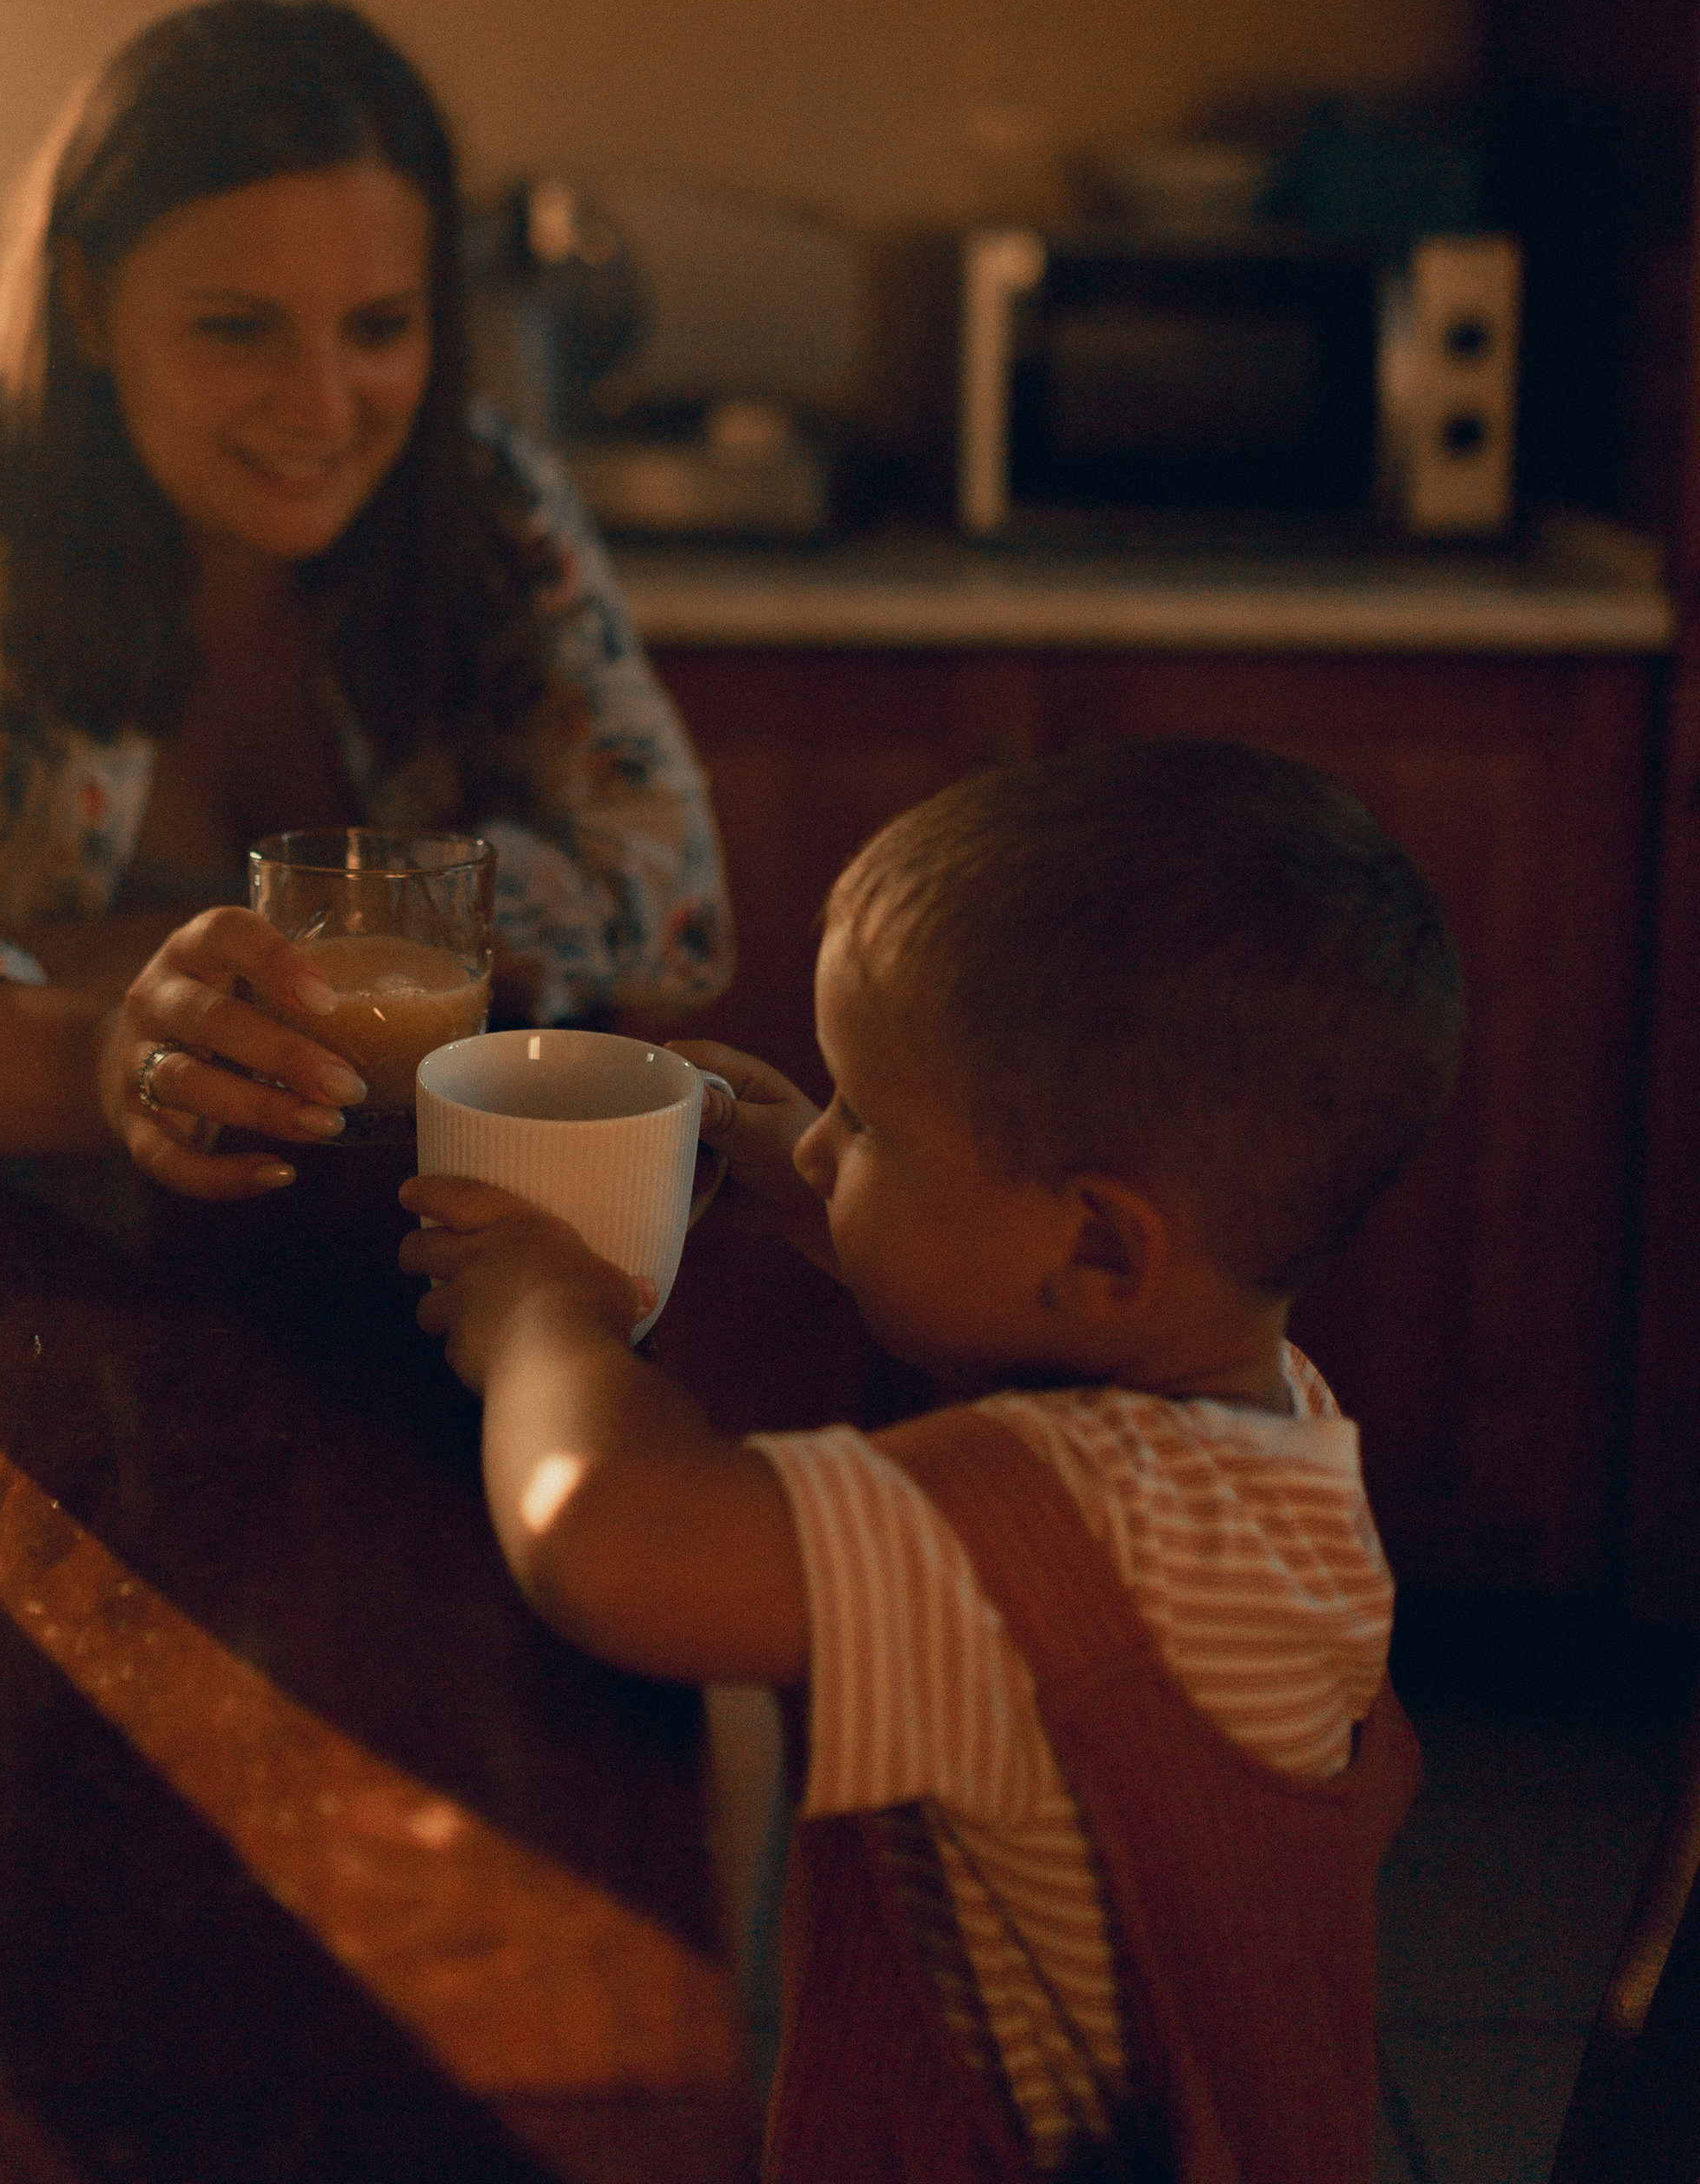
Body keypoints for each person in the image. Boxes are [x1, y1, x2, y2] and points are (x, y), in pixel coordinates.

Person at [398, 740, 1462, 2183]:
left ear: (1097, 1245)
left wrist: (543, 1312)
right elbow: (1008, 1290)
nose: (823, 1141)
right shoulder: (1266, 1424)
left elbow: (613, 1538)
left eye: (867, 1119)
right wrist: (798, 1183)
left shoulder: (1043, 1536)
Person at [0, 0, 731, 1193]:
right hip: (1, 1265)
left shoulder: (491, 498)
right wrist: (107, 1051)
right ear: (88, 308)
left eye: (380, 327)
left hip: (428, 1255)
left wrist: (116, 960)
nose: (321, 402)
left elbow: (677, 913)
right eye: (236, 329)